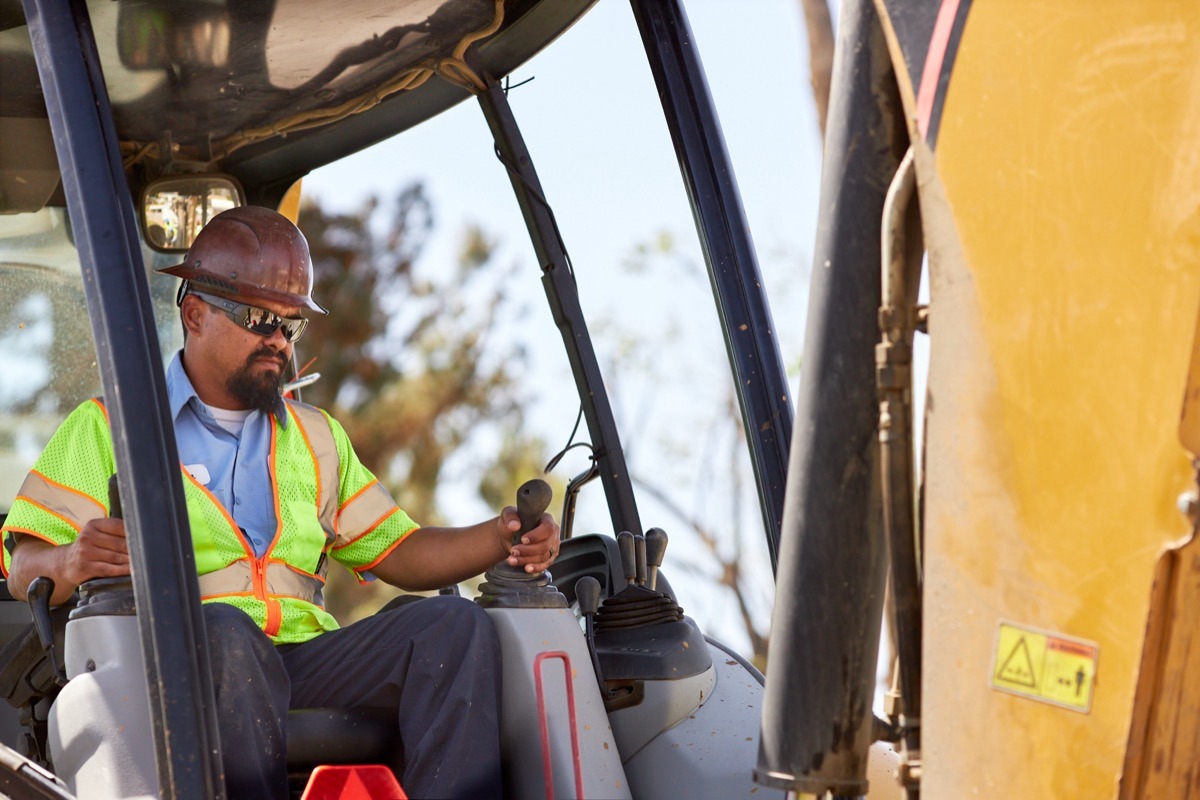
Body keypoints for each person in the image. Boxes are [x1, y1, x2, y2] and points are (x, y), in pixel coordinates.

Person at [0, 205, 560, 799]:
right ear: (194, 314)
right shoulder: (108, 427)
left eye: (291, 326)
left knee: (453, 627)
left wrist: (500, 537)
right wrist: (70, 561)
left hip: (302, 658)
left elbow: (402, 549)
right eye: (259, 318)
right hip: (177, 665)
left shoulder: (317, 437)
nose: (277, 340)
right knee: (229, 632)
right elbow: (22, 566)